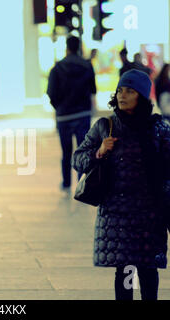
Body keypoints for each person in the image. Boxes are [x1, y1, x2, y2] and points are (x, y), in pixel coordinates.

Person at [72, 69, 170, 300]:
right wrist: (99, 151)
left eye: (130, 91)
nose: (122, 95)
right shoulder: (105, 126)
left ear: (142, 96)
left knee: (147, 269)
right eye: (120, 90)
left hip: (150, 211)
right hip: (118, 212)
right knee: (125, 270)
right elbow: (78, 159)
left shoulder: (159, 129)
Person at [47, 36, 97, 192]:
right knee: (83, 150)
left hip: (64, 116)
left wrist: (60, 108)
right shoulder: (87, 66)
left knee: (66, 150)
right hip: (82, 114)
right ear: (79, 48)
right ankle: (82, 182)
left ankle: (66, 182)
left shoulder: (57, 68)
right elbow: (93, 90)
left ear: (67, 48)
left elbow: (51, 93)